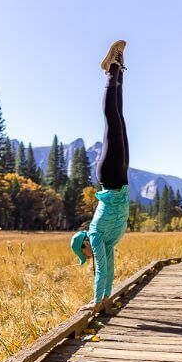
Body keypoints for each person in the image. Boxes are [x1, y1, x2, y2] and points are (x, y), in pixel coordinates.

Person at [70, 40, 130, 313]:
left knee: (112, 120)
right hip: (122, 182)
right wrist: (105, 298)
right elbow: (109, 266)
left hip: (110, 177)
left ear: (83, 244)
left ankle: (110, 71)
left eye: (84, 254)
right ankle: (116, 67)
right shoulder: (106, 242)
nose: (89, 257)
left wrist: (94, 302)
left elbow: (100, 268)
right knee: (120, 119)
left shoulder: (94, 235)